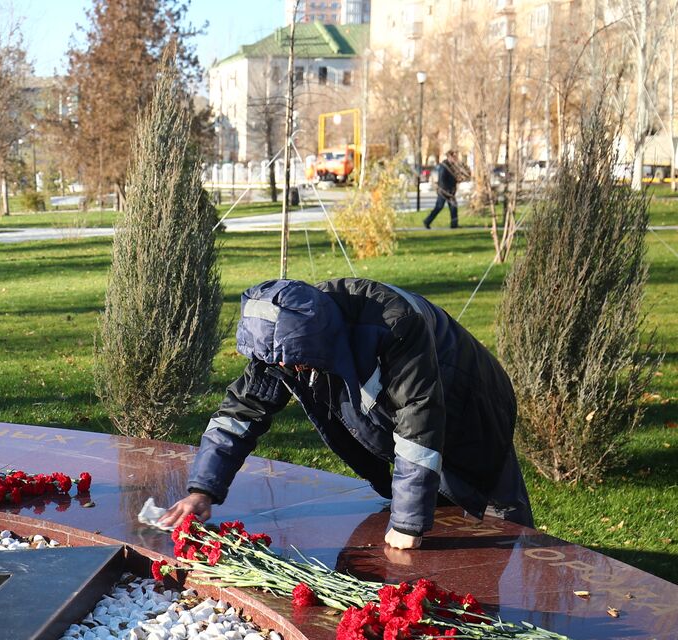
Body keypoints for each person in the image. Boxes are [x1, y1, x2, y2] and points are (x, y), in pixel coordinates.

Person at [159, 278, 533, 550]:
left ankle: (524, 606)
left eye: (297, 363)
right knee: (432, 507)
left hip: (471, 401)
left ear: (318, 342)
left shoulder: (394, 326)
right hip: (418, 407)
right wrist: (201, 491)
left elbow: (417, 421)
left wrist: (407, 524)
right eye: (281, 363)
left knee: (496, 514)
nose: (289, 370)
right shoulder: (285, 337)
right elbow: (240, 413)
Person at [423, 151, 469, 230]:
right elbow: (442, 179)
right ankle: (427, 221)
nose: (455, 159)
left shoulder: (453, 166)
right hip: (444, 191)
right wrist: (447, 190)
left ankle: (454, 224)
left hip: (450, 191)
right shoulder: (444, 166)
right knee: (439, 207)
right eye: (453, 157)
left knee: (453, 207)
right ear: (449, 157)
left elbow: (455, 177)